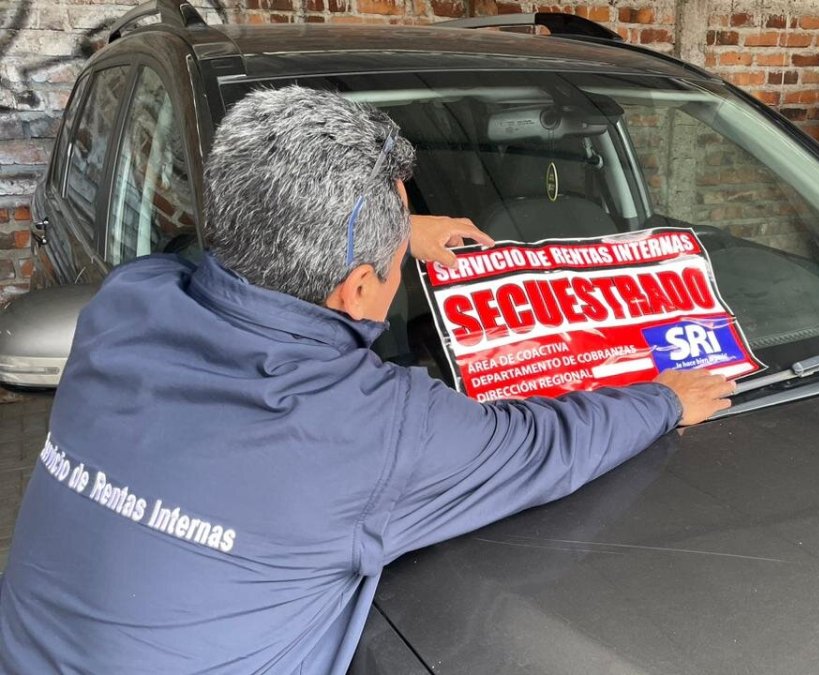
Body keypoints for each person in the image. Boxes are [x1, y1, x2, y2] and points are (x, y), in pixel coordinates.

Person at [0, 86, 733, 673]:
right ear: (356, 289)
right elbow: (546, 440)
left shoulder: (128, 300)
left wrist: (395, 232)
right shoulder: (370, 428)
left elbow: (212, 258)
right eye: (378, 263)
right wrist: (665, 398)